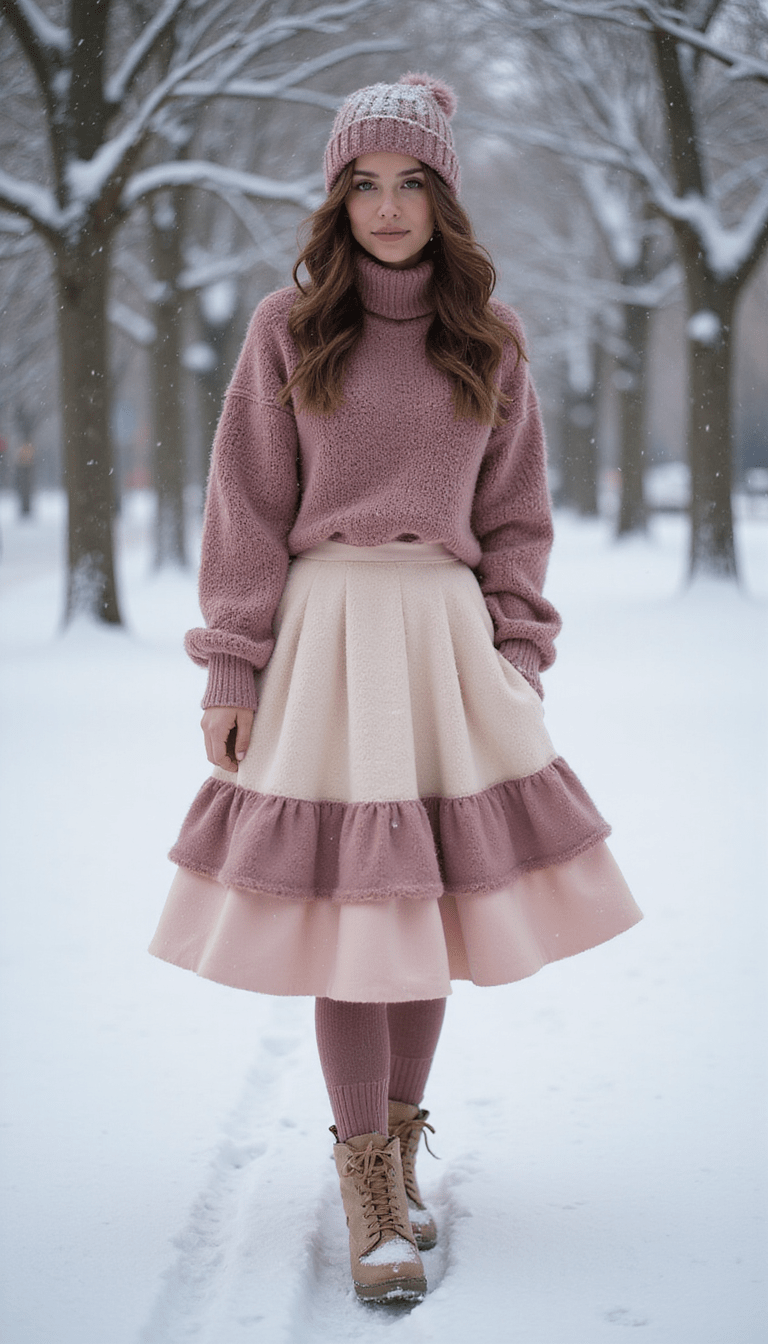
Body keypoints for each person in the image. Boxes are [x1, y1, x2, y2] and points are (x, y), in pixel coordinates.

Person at [149, 73, 642, 1304]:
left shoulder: (492, 337)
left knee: (418, 905)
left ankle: (402, 1152)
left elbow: (517, 516)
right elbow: (247, 509)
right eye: (361, 184)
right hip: (324, 634)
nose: (384, 207)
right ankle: (363, 1174)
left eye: (408, 182)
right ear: (334, 196)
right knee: (351, 916)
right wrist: (232, 661)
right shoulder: (287, 325)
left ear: (443, 195)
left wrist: (516, 649)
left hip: (444, 639)